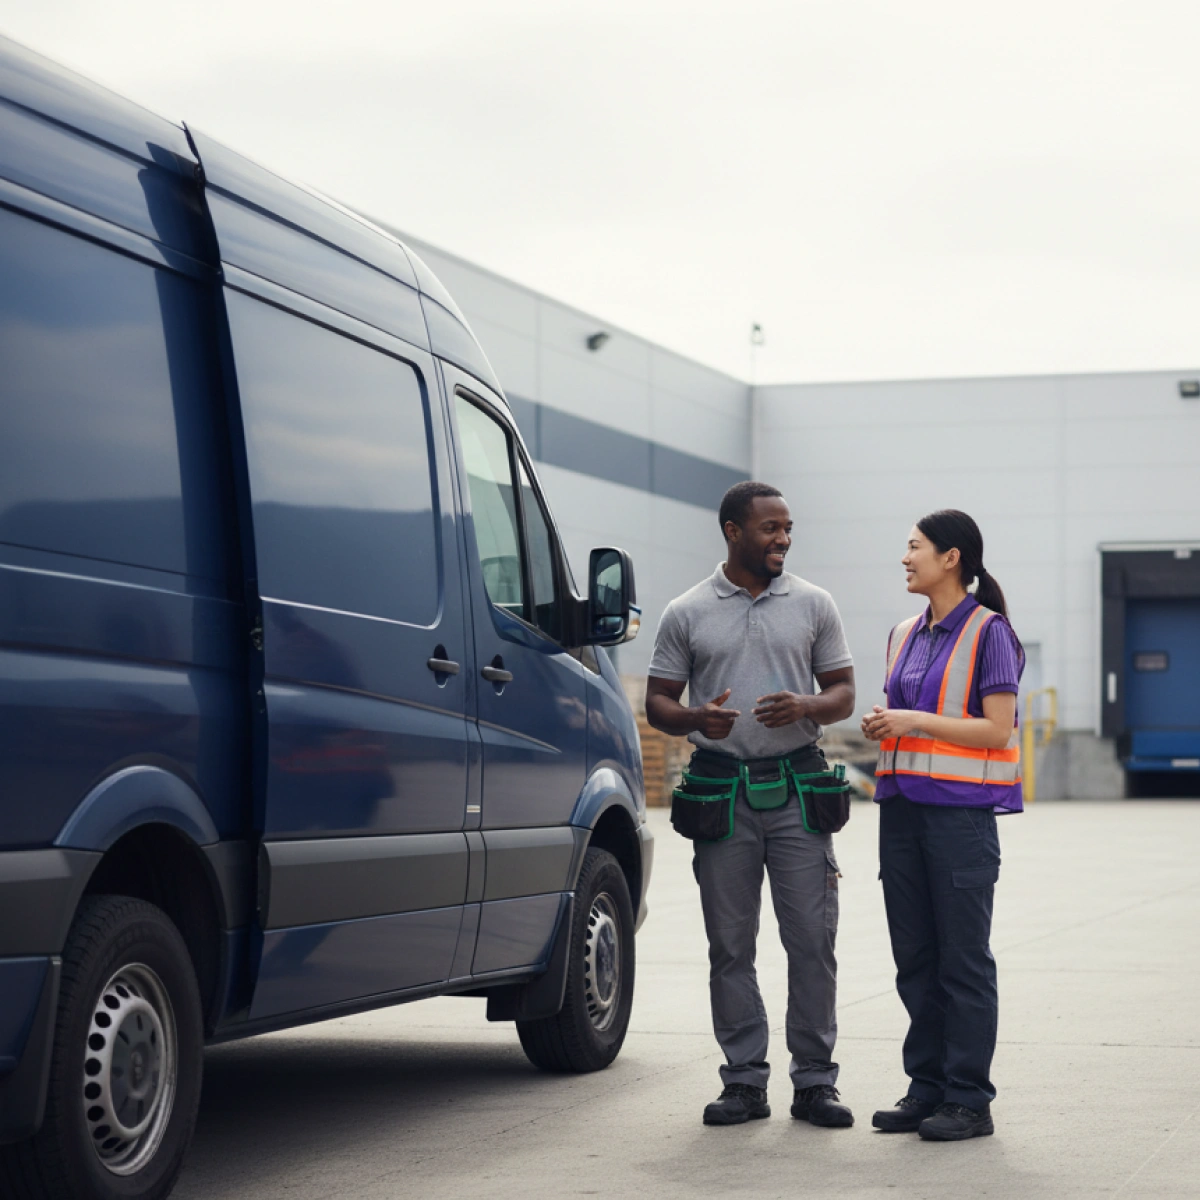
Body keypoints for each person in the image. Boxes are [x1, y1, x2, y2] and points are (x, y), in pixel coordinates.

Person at [645, 481, 857, 1128]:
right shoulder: (686, 611)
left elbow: (844, 692)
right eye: (770, 529)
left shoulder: (815, 604)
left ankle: (815, 1082)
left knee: (812, 943)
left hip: (797, 789)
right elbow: (657, 701)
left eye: (788, 528)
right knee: (730, 946)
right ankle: (743, 1081)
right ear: (733, 532)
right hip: (722, 793)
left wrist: (809, 706)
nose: (783, 539)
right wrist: (692, 719)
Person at [861, 509, 1024, 1142]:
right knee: (915, 959)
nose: (905, 559)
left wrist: (911, 721)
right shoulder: (904, 631)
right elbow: (907, 711)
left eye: (914, 548)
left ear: (951, 558)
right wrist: (888, 722)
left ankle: (968, 1099)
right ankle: (926, 1087)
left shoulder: (991, 633)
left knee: (962, 962)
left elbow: (997, 728)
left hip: (959, 819)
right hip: (901, 811)